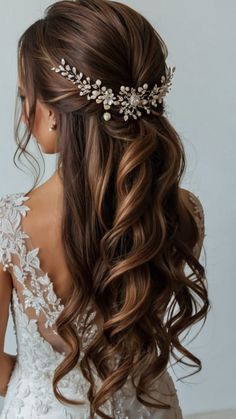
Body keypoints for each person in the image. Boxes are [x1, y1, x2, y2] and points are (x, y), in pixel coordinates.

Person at [0, 0, 210, 418]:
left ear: (55, 113)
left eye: (26, 95)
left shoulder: (10, 226)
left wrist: (39, 387)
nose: (23, 113)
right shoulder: (184, 210)